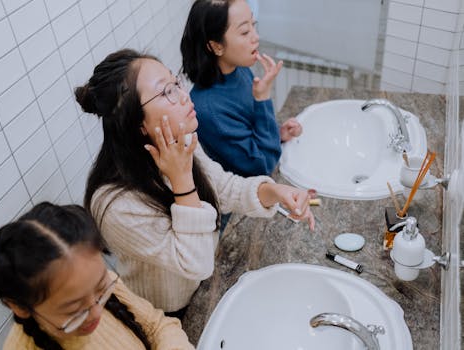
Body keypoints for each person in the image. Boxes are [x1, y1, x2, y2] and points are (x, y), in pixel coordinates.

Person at [75, 49, 315, 319]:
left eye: (176, 83)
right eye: (167, 92)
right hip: (167, 314)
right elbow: (197, 263)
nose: (184, 95)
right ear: (138, 123)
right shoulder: (116, 205)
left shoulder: (181, 141)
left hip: (203, 285)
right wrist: (181, 179)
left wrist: (274, 191)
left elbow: (223, 188)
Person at [0, 202, 194, 350]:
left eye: (102, 289)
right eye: (76, 310)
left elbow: (157, 325)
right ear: (20, 307)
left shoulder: (94, 288)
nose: (96, 313)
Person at [180, 0, 302, 177]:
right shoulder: (208, 110)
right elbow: (263, 165)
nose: (256, 37)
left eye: (253, 25)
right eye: (245, 32)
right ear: (216, 46)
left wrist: (277, 134)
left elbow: (251, 127)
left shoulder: (239, 70)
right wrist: (262, 98)